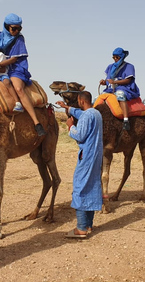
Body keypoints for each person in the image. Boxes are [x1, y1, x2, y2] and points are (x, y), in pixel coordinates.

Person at [0, 13, 46, 136]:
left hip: (16, 68)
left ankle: (36, 122)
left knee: (18, 88)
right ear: (7, 27)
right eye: (14, 28)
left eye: (19, 28)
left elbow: (14, 59)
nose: (16, 31)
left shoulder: (19, 39)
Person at [56, 91, 103, 238]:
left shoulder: (87, 116)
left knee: (80, 186)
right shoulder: (96, 113)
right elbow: (81, 115)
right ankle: (88, 225)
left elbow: (80, 135)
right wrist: (67, 107)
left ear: (81, 101)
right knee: (92, 186)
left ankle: (81, 228)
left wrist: (70, 127)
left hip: (87, 156)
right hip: (96, 157)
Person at [99, 47, 140, 131]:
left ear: (121, 57)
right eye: (113, 57)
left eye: (117, 57)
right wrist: (104, 82)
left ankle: (126, 120)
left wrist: (114, 82)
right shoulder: (110, 67)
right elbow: (108, 80)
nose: (115, 59)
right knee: (99, 98)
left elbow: (128, 80)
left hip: (124, 88)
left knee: (120, 95)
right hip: (110, 89)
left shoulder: (129, 66)